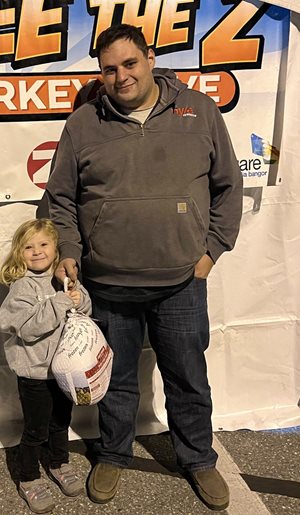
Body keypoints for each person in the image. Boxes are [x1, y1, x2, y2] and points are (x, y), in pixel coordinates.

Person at [45, 24, 243, 512]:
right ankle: (113, 453)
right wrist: (69, 248)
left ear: (150, 58)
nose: (120, 76)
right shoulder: (84, 124)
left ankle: (198, 458)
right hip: (108, 283)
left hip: (181, 281)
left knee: (187, 377)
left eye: (129, 64)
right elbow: (60, 197)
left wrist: (211, 251)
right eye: (108, 69)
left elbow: (228, 186)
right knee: (114, 379)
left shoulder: (199, 112)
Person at [0, 219, 92, 514]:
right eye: (28, 246)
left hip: (65, 372)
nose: (36, 251)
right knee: (36, 430)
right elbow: (26, 328)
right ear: (19, 252)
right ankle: (28, 478)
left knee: (60, 423)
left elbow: (84, 313)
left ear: (56, 249)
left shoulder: (64, 280)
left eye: (43, 244)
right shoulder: (21, 287)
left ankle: (58, 463)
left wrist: (78, 298)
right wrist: (61, 302)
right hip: (35, 375)